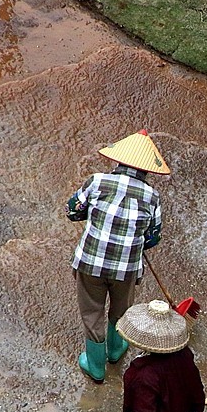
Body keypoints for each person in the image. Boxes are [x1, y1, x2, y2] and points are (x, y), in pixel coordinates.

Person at [67, 129, 167, 383]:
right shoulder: (152, 197)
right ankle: (115, 350)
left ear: (119, 160)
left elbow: (73, 210)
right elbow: (153, 237)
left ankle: (95, 365)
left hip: (90, 262)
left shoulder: (97, 181)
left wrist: (89, 214)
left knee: (92, 311)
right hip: (127, 269)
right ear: (147, 170)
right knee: (121, 310)